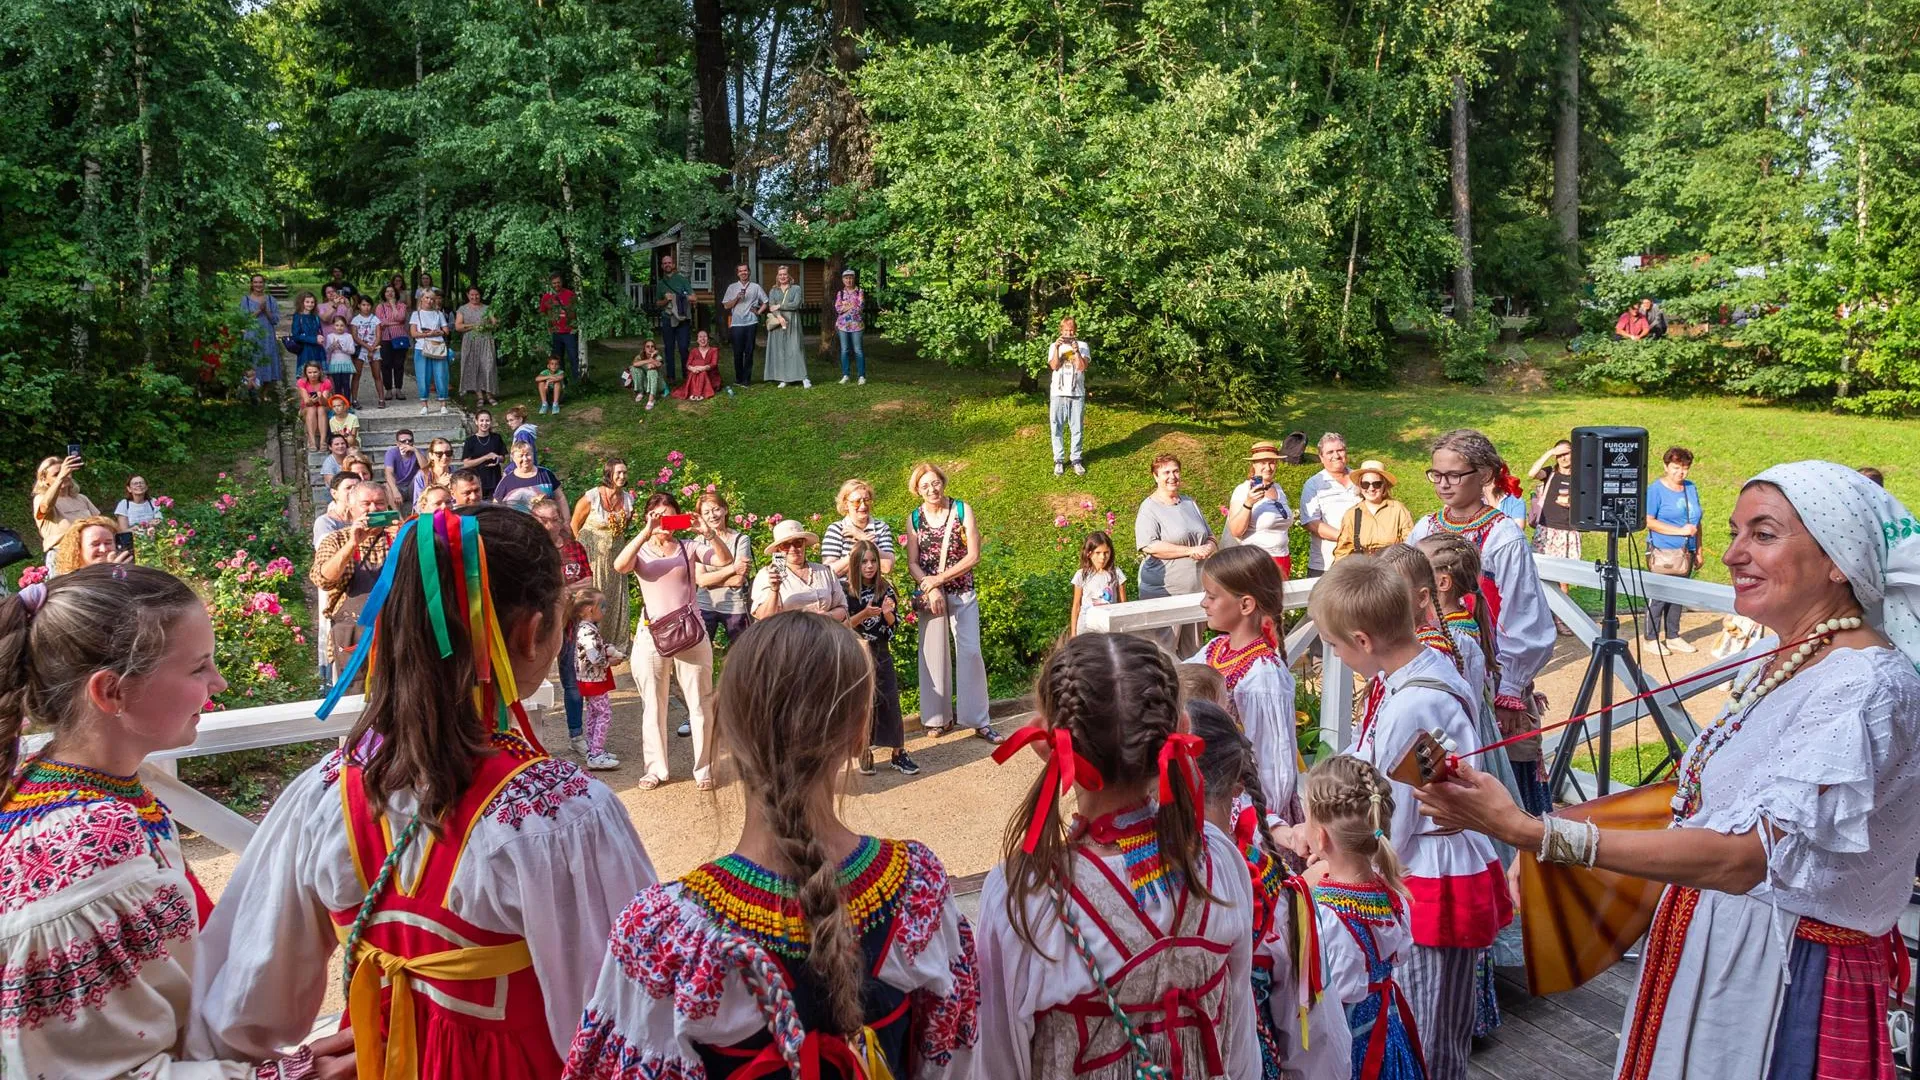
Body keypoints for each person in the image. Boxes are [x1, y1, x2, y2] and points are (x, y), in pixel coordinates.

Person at [1417, 461, 1920, 1080]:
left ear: (1839, 558)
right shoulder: (1780, 649)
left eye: (1763, 535)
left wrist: (1534, 833)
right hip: (1717, 942)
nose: (1733, 553)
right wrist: (1545, 826)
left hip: (1786, 970)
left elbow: (1745, 857)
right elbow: (1702, 802)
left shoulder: (1868, 685)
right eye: (1735, 533)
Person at [193, 506, 659, 1078]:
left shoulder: (323, 795)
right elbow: (633, 1020)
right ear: (531, 632)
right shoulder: (560, 817)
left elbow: (240, 1000)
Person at [564, 610, 979, 1078]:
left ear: (720, 725)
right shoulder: (917, 888)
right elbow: (956, 1060)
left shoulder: (663, 937)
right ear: (861, 728)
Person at [0, 566, 356, 1077]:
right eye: (197, 668)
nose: (219, 682)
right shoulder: (91, 847)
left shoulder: (72, 791)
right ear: (111, 693)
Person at [976, 632, 1259, 1079]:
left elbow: (996, 1063)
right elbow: (1241, 1042)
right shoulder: (1218, 861)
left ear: (1045, 742)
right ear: (1182, 730)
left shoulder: (1026, 897)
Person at [1306, 556, 1511, 1080]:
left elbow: (1392, 812)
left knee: (1428, 1027)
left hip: (1425, 877)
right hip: (1429, 865)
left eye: (1334, 645)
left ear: (1363, 640)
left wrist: (1342, 854)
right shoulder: (1410, 677)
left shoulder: (1410, 705)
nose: (1335, 654)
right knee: (1431, 1026)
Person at [1406, 429, 1557, 816]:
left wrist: (1510, 687)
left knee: (1486, 764)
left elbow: (1525, 617)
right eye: (1436, 474)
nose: (1443, 484)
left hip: (1487, 675)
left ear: (1485, 474)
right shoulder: (1424, 529)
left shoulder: (1503, 535)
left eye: (1454, 475)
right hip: (1430, 666)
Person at [1299, 755, 1424, 1080]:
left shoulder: (1327, 915)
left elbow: (1324, 1003)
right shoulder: (1391, 891)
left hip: (1350, 1047)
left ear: (1321, 838)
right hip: (1387, 1033)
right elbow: (1400, 953)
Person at [614, 494, 728, 790]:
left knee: (700, 702)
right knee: (652, 702)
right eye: (657, 516)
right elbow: (620, 566)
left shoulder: (688, 547)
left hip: (690, 631)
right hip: (651, 634)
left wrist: (708, 533)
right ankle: (655, 768)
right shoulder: (641, 551)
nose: (663, 522)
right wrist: (645, 532)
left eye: (669, 516)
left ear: (678, 519)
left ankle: (703, 768)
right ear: (648, 517)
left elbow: (724, 560)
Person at [1191, 544, 1298, 821]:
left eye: (1212, 596)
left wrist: (1260, 822)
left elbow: (1274, 770)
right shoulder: (1214, 650)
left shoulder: (1263, 676)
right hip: (1215, 800)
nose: (1204, 602)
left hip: (1249, 819)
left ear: (1246, 604)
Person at [904, 462, 1001, 743]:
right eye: (925, 486)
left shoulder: (961, 509)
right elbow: (912, 562)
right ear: (917, 491)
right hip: (932, 597)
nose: (931, 489)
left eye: (935, 483)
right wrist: (930, 587)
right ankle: (938, 720)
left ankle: (978, 720)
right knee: (933, 656)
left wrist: (940, 579)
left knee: (970, 653)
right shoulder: (914, 518)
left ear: (943, 482)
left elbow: (973, 556)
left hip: (962, 591)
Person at [842, 538, 915, 775]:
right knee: (863, 703)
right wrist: (863, 614)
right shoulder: (846, 591)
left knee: (890, 700)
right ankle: (863, 748)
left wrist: (888, 614)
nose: (870, 566)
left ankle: (898, 752)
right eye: (864, 562)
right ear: (856, 564)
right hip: (856, 652)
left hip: (881, 649)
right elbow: (843, 627)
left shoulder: (885, 588)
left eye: (873, 561)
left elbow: (894, 629)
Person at [309, 482, 400, 670]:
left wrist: (405, 540)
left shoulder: (400, 537)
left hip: (398, 629)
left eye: (380, 503)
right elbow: (322, 580)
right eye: (366, 504)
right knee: (356, 697)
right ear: (351, 509)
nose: (373, 509)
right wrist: (352, 544)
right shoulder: (336, 539)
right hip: (353, 635)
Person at [1134, 452, 1215, 656]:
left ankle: (1190, 689)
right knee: (1164, 654)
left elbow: (1211, 536)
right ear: (1155, 476)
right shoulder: (1149, 508)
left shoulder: (1190, 503)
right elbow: (1149, 546)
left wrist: (1209, 547)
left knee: (1193, 652)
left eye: (1176, 471)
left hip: (1197, 591)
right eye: (1166, 472)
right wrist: (1190, 551)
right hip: (1166, 592)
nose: (1172, 477)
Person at [529, 496, 592, 759]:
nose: (548, 526)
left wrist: (563, 591)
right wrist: (565, 590)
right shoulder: (528, 551)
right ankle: (533, 742)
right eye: (542, 521)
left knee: (572, 683)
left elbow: (588, 579)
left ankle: (576, 735)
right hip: (539, 628)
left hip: (570, 625)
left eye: (553, 520)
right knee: (532, 685)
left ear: (560, 520)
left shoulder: (574, 548)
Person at [1644, 445, 1703, 655]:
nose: (1681, 472)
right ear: (1666, 466)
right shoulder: (1655, 490)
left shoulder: (1690, 488)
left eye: (1685, 467)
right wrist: (1679, 531)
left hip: (1685, 552)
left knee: (1678, 595)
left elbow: (1696, 520)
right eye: (1676, 467)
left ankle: (1673, 635)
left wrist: (1699, 549)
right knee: (1659, 596)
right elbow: (1648, 521)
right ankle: (1651, 637)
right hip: (1663, 551)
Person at [571, 460, 634, 650]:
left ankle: (613, 641)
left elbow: (624, 527)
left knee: (613, 597)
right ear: (609, 474)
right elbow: (574, 523)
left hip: (615, 556)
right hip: (592, 556)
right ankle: (587, 641)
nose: (622, 476)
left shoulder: (628, 499)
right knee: (593, 596)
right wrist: (580, 549)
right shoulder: (593, 497)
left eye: (624, 473)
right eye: (618, 473)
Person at [751, 518, 848, 621]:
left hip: (823, 632)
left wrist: (828, 616)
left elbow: (842, 608)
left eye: (797, 543)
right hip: (786, 634)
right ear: (778, 549)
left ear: (804, 544)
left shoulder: (824, 571)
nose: (793, 549)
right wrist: (774, 589)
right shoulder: (767, 575)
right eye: (786, 545)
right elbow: (764, 618)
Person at [572, 588, 626, 770]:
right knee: (604, 714)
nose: (604, 610)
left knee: (594, 714)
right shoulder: (588, 631)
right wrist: (611, 661)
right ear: (589, 609)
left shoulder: (585, 628)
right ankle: (596, 754)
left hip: (588, 679)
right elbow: (594, 657)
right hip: (593, 679)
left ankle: (593, 749)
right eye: (602, 606)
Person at [691, 490, 751, 649]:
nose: (712, 515)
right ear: (701, 517)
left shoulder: (741, 540)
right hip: (705, 605)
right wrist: (733, 568)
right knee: (700, 652)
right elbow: (701, 580)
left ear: (725, 509)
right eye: (706, 512)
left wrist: (710, 580)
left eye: (716, 509)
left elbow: (739, 580)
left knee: (741, 653)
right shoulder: (699, 540)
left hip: (735, 606)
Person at [1226, 440, 1294, 574]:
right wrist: (1249, 503)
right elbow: (1235, 531)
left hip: (1283, 559)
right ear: (1254, 465)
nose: (1268, 468)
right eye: (1263, 463)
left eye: (1272, 462)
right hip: (1257, 561)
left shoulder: (1278, 489)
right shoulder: (1243, 490)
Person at [1300, 432, 1360, 577]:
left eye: (1340, 450)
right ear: (1321, 457)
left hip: (1361, 562)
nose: (1336, 455)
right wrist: (1346, 538)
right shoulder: (1314, 484)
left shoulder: (1360, 478)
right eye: (1330, 452)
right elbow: (1311, 522)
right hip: (1326, 564)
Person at [1333, 459, 1415, 560]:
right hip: (1363, 570)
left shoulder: (1398, 510)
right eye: (1365, 484)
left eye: (1376, 484)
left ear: (1384, 485)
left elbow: (1410, 545)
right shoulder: (1352, 514)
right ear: (1360, 486)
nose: (1371, 489)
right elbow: (1343, 551)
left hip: (1392, 569)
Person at [819, 478, 895, 576]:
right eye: (857, 502)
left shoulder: (881, 527)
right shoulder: (836, 530)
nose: (863, 506)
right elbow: (829, 573)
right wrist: (856, 551)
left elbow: (887, 567)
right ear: (846, 504)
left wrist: (864, 539)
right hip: (843, 589)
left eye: (866, 500)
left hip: (874, 589)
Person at [31, 453, 99, 561]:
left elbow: (100, 523)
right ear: (44, 480)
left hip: (88, 553)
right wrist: (61, 476)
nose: (64, 476)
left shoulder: (81, 498)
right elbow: (45, 507)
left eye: (67, 472)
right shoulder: (40, 498)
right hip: (62, 555)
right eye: (56, 474)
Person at [1047, 316, 1090, 476]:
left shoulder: (1083, 346)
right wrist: (1058, 348)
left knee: (1076, 427)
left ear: (1075, 331)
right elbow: (1054, 366)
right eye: (1065, 330)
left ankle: (1076, 459)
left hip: (1076, 393)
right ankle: (1058, 460)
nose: (1068, 333)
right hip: (1058, 393)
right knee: (1056, 426)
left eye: (1071, 330)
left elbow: (1081, 367)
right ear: (1061, 331)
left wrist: (1076, 350)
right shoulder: (1054, 346)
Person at [1526, 439, 1580, 563]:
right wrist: (1550, 452)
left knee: (1564, 576)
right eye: (1559, 455)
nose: (1563, 458)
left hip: (1568, 530)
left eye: (1566, 453)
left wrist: (1570, 502)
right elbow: (1532, 474)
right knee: (1540, 570)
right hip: (1546, 528)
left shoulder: (1579, 476)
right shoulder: (1550, 472)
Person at [1067, 529, 1126, 637]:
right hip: (1086, 627)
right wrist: (1073, 633)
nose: (1102, 557)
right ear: (1089, 553)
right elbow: (1076, 605)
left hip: (1109, 626)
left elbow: (1123, 603)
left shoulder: (1116, 574)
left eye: (1106, 552)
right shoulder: (1081, 575)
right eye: (1098, 553)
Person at [762, 265, 809, 388]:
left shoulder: (796, 288)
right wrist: (779, 317)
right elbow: (771, 307)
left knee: (795, 348)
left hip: (792, 321)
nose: (782, 276)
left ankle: (803, 377)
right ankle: (784, 378)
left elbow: (796, 304)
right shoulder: (773, 290)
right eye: (780, 274)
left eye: (785, 274)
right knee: (781, 350)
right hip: (778, 322)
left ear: (789, 276)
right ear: (777, 276)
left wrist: (780, 306)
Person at [721, 263, 767, 385]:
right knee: (737, 352)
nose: (743, 273)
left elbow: (766, 302)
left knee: (749, 351)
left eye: (745, 270)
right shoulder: (732, 287)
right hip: (737, 324)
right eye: (740, 271)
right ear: (737, 273)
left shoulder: (756, 287)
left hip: (751, 322)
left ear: (749, 272)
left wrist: (758, 312)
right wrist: (736, 298)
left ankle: (747, 379)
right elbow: (726, 306)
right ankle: (738, 378)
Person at [409, 288, 452, 415]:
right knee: (422, 376)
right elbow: (413, 333)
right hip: (421, 347)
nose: (429, 300)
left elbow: (446, 331)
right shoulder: (416, 314)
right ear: (421, 298)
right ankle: (424, 404)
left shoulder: (438, 314)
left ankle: (443, 403)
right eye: (427, 297)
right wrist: (428, 334)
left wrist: (438, 332)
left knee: (441, 374)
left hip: (438, 346)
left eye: (432, 298)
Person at [492, 439, 566, 510]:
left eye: (528, 454)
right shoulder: (507, 481)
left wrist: (566, 520)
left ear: (533, 454)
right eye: (521, 456)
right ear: (513, 458)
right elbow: (495, 506)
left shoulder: (546, 474)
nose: (525, 459)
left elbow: (560, 498)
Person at [456, 285, 499, 408]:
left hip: (486, 340)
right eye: (472, 294)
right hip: (470, 341)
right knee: (474, 367)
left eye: (477, 294)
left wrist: (488, 325)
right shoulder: (462, 309)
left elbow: (495, 324)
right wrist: (474, 326)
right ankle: (480, 396)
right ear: (467, 295)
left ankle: (490, 395)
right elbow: (458, 326)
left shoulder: (487, 308)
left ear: (480, 295)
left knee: (488, 366)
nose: (474, 297)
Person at [51, 514, 132, 575]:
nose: (103, 549)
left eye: (108, 543)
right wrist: (114, 574)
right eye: (95, 544)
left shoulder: (124, 570)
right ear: (78, 548)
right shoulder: (72, 581)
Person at [655, 252, 691, 384]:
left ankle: (687, 374)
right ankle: (671, 376)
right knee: (669, 348)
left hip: (682, 319)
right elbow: (658, 303)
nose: (667, 265)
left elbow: (694, 297)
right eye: (665, 263)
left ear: (673, 264)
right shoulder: (660, 284)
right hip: (667, 318)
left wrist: (682, 296)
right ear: (662, 266)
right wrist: (666, 299)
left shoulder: (682, 280)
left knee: (683, 347)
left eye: (669, 262)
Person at [240, 273, 283, 387]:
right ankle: (251, 389)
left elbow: (275, 320)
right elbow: (244, 320)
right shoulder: (246, 300)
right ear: (251, 284)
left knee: (268, 359)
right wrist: (259, 310)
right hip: (251, 335)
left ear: (264, 284)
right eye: (255, 282)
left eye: (260, 282)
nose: (258, 284)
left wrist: (266, 311)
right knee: (252, 360)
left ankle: (265, 391)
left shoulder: (270, 299)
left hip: (267, 336)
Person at [541, 273, 581, 379]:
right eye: (554, 283)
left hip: (569, 331)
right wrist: (549, 326)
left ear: (562, 282)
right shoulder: (546, 296)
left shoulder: (570, 294)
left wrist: (574, 324)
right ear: (551, 284)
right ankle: (561, 383)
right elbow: (543, 313)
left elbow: (577, 311)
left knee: (574, 357)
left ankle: (577, 381)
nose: (556, 285)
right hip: (556, 332)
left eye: (558, 282)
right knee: (558, 360)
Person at [375, 283, 410, 403]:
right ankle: (388, 389)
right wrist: (393, 322)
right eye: (387, 291)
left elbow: (400, 318)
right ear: (383, 294)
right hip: (385, 338)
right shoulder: (380, 307)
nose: (390, 293)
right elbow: (380, 322)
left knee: (399, 364)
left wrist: (393, 306)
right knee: (386, 364)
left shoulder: (402, 305)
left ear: (396, 293)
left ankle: (398, 389)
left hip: (400, 337)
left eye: (392, 291)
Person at [462, 408, 509, 498]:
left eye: (487, 421)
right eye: (481, 420)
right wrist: (486, 457)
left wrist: (497, 459)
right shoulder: (470, 441)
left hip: (495, 480)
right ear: (476, 422)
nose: (484, 423)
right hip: (477, 482)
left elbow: (503, 458)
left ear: (490, 422)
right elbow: (466, 464)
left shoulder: (496, 438)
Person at [834, 267, 867, 384]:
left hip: (857, 325)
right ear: (843, 280)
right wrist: (851, 305)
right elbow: (838, 308)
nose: (849, 280)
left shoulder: (860, 292)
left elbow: (860, 307)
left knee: (858, 350)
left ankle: (861, 376)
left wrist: (846, 306)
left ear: (854, 279)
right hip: (842, 326)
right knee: (844, 350)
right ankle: (845, 375)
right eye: (846, 278)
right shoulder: (840, 293)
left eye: (851, 278)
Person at [670, 329, 722, 400]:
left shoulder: (714, 350)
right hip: (695, 374)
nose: (703, 339)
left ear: (708, 339)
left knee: (701, 367)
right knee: (695, 365)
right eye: (700, 337)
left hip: (710, 376)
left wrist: (701, 368)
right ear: (697, 340)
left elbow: (714, 364)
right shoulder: (693, 351)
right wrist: (693, 369)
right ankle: (698, 393)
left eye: (705, 336)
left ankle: (697, 393)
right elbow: (688, 364)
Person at [295, 361, 333, 452]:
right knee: (312, 409)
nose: (313, 375)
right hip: (307, 408)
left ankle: (323, 441)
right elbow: (306, 402)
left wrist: (320, 397)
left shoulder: (326, 382)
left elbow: (324, 403)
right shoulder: (301, 382)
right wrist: (312, 400)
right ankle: (312, 441)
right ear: (306, 373)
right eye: (310, 372)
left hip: (323, 407)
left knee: (320, 409)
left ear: (320, 372)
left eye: (315, 372)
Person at [350, 296, 381, 406]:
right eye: (363, 305)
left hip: (374, 349)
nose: (366, 307)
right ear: (359, 306)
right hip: (360, 349)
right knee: (357, 375)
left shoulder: (375, 319)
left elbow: (378, 335)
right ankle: (354, 399)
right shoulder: (355, 320)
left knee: (377, 374)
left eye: (368, 305)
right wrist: (368, 347)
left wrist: (373, 347)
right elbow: (355, 336)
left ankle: (381, 399)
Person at [289, 290, 326, 382]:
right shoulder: (298, 316)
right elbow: (296, 336)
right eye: (307, 302)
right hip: (305, 351)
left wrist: (320, 337)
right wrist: (313, 339)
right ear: (302, 302)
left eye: (312, 302)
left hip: (318, 350)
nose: (310, 304)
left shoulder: (315, 316)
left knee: (319, 378)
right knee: (305, 377)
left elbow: (318, 330)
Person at [312, 473, 357, 547]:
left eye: (356, 488)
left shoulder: (365, 517)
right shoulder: (325, 522)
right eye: (348, 488)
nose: (353, 491)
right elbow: (327, 549)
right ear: (334, 493)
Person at [381, 428, 420, 511]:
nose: (407, 443)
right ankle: (399, 518)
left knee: (422, 473)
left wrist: (416, 451)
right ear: (397, 443)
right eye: (403, 441)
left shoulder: (418, 452)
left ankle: (419, 512)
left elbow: (426, 469)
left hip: (412, 486)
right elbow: (389, 472)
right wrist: (395, 491)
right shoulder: (392, 453)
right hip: (398, 485)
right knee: (386, 486)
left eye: (410, 440)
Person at [412, 436, 456, 503]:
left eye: (448, 453)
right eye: (439, 454)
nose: (444, 457)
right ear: (431, 455)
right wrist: (438, 486)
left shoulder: (456, 474)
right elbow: (418, 504)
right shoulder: (423, 475)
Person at [628, 338, 667, 409]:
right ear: (644, 349)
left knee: (652, 371)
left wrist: (652, 357)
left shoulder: (658, 357)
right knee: (634, 369)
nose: (650, 348)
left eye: (652, 346)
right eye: (648, 346)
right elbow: (634, 364)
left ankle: (651, 399)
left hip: (658, 384)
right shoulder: (640, 356)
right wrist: (649, 360)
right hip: (646, 383)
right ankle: (640, 392)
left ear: (655, 349)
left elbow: (658, 364)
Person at [324, 314, 356, 400]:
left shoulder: (348, 336)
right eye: (337, 325)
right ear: (333, 326)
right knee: (337, 384)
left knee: (346, 384)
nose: (339, 327)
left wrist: (342, 348)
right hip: (335, 363)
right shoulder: (330, 336)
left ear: (345, 326)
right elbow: (327, 350)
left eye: (342, 325)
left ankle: (347, 403)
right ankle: (338, 403)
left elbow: (352, 351)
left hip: (346, 363)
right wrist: (332, 346)